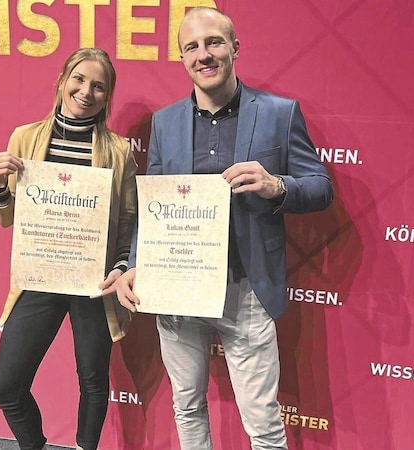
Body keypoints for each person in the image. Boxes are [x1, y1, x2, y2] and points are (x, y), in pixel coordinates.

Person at [108, 6, 334, 450]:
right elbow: (156, 205)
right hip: (178, 288)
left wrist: (276, 186)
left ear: (234, 48)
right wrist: (136, 263)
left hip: (246, 288)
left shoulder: (279, 114)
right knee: (187, 408)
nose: (203, 54)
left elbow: (321, 188)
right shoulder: (166, 121)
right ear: (181, 58)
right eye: (191, 47)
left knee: (264, 424)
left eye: (213, 42)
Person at [0, 48, 137, 450]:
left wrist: (121, 266)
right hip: (40, 277)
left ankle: (87, 447)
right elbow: (7, 218)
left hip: (93, 281)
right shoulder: (25, 137)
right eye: (79, 79)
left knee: (92, 380)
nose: (86, 91)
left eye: (98, 86)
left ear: (107, 97)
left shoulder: (119, 150)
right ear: (62, 81)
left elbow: (127, 220)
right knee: (5, 385)